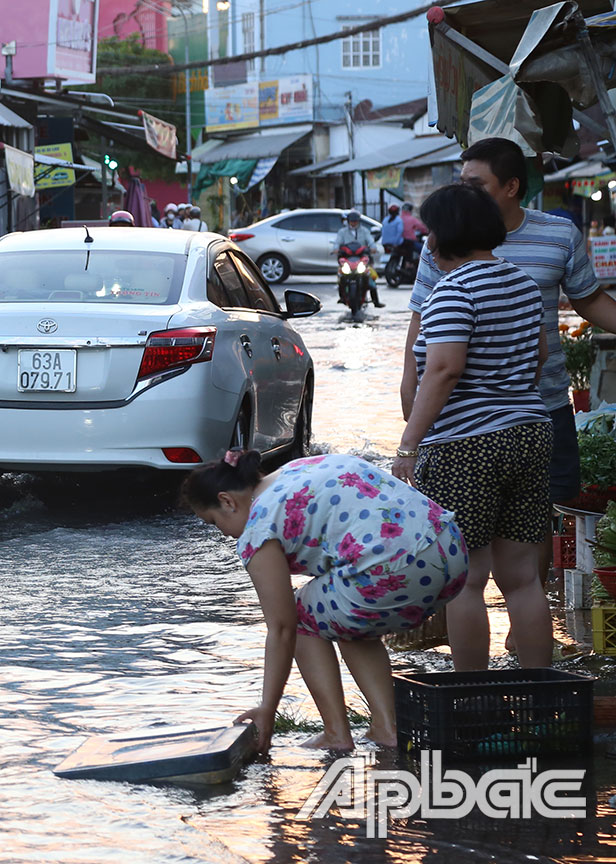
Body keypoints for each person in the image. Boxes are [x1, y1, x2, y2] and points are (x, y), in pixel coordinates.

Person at [183, 451, 468, 752]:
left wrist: (268, 708)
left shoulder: (257, 527)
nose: (224, 534)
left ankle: (336, 733)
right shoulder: (296, 469)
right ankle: (388, 728)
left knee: (302, 616)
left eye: (214, 523)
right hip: (450, 551)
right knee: (343, 614)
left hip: (399, 569)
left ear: (227, 501)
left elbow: (282, 628)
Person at [402, 137, 616, 513]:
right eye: (462, 183)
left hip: (546, 404)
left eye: (476, 185)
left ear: (511, 186)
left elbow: (590, 300)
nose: (465, 192)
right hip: (468, 416)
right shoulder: (443, 241)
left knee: (537, 520)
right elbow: (422, 316)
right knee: (498, 533)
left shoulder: (559, 235)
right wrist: (410, 385)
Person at [394, 183, 553, 671]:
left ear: (446, 235)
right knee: (523, 577)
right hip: (530, 432)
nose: (427, 241)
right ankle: (541, 700)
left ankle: (472, 700)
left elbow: (442, 370)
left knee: (465, 579)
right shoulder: (522, 284)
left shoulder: (454, 290)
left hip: (466, 445)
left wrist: (408, 445)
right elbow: (541, 356)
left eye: (430, 231)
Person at [336, 210, 382, 307]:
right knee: (340, 277)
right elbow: (337, 243)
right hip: (347, 258)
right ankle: (342, 297)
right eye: (352, 221)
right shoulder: (342, 232)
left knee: (371, 279)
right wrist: (335, 249)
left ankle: (376, 301)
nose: (354, 223)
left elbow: (370, 241)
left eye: (355, 221)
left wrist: (373, 248)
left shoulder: (364, 231)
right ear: (348, 221)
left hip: (362, 258)